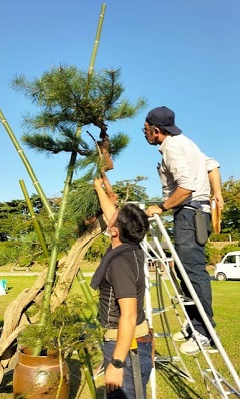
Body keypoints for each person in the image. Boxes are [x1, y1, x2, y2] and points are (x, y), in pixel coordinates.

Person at [143, 106, 224, 355]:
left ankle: (204, 333)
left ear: (156, 130)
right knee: (183, 270)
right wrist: (217, 193)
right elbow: (213, 165)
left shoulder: (172, 147)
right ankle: (194, 325)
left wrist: (161, 207)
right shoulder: (186, 142)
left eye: (145, 129)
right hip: (194, 211)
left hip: (189, 212)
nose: (145, 134)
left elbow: (186, 187)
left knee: (193, 272)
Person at [91, 176, 152, 399]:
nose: (111, 213)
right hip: (132, 343)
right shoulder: (132, 246)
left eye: (115, 217)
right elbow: (110, 213)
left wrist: (117, 364)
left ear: (114, 231)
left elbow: (128, 315)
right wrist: (99, 187)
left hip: (125, 347)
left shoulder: (119, 263)